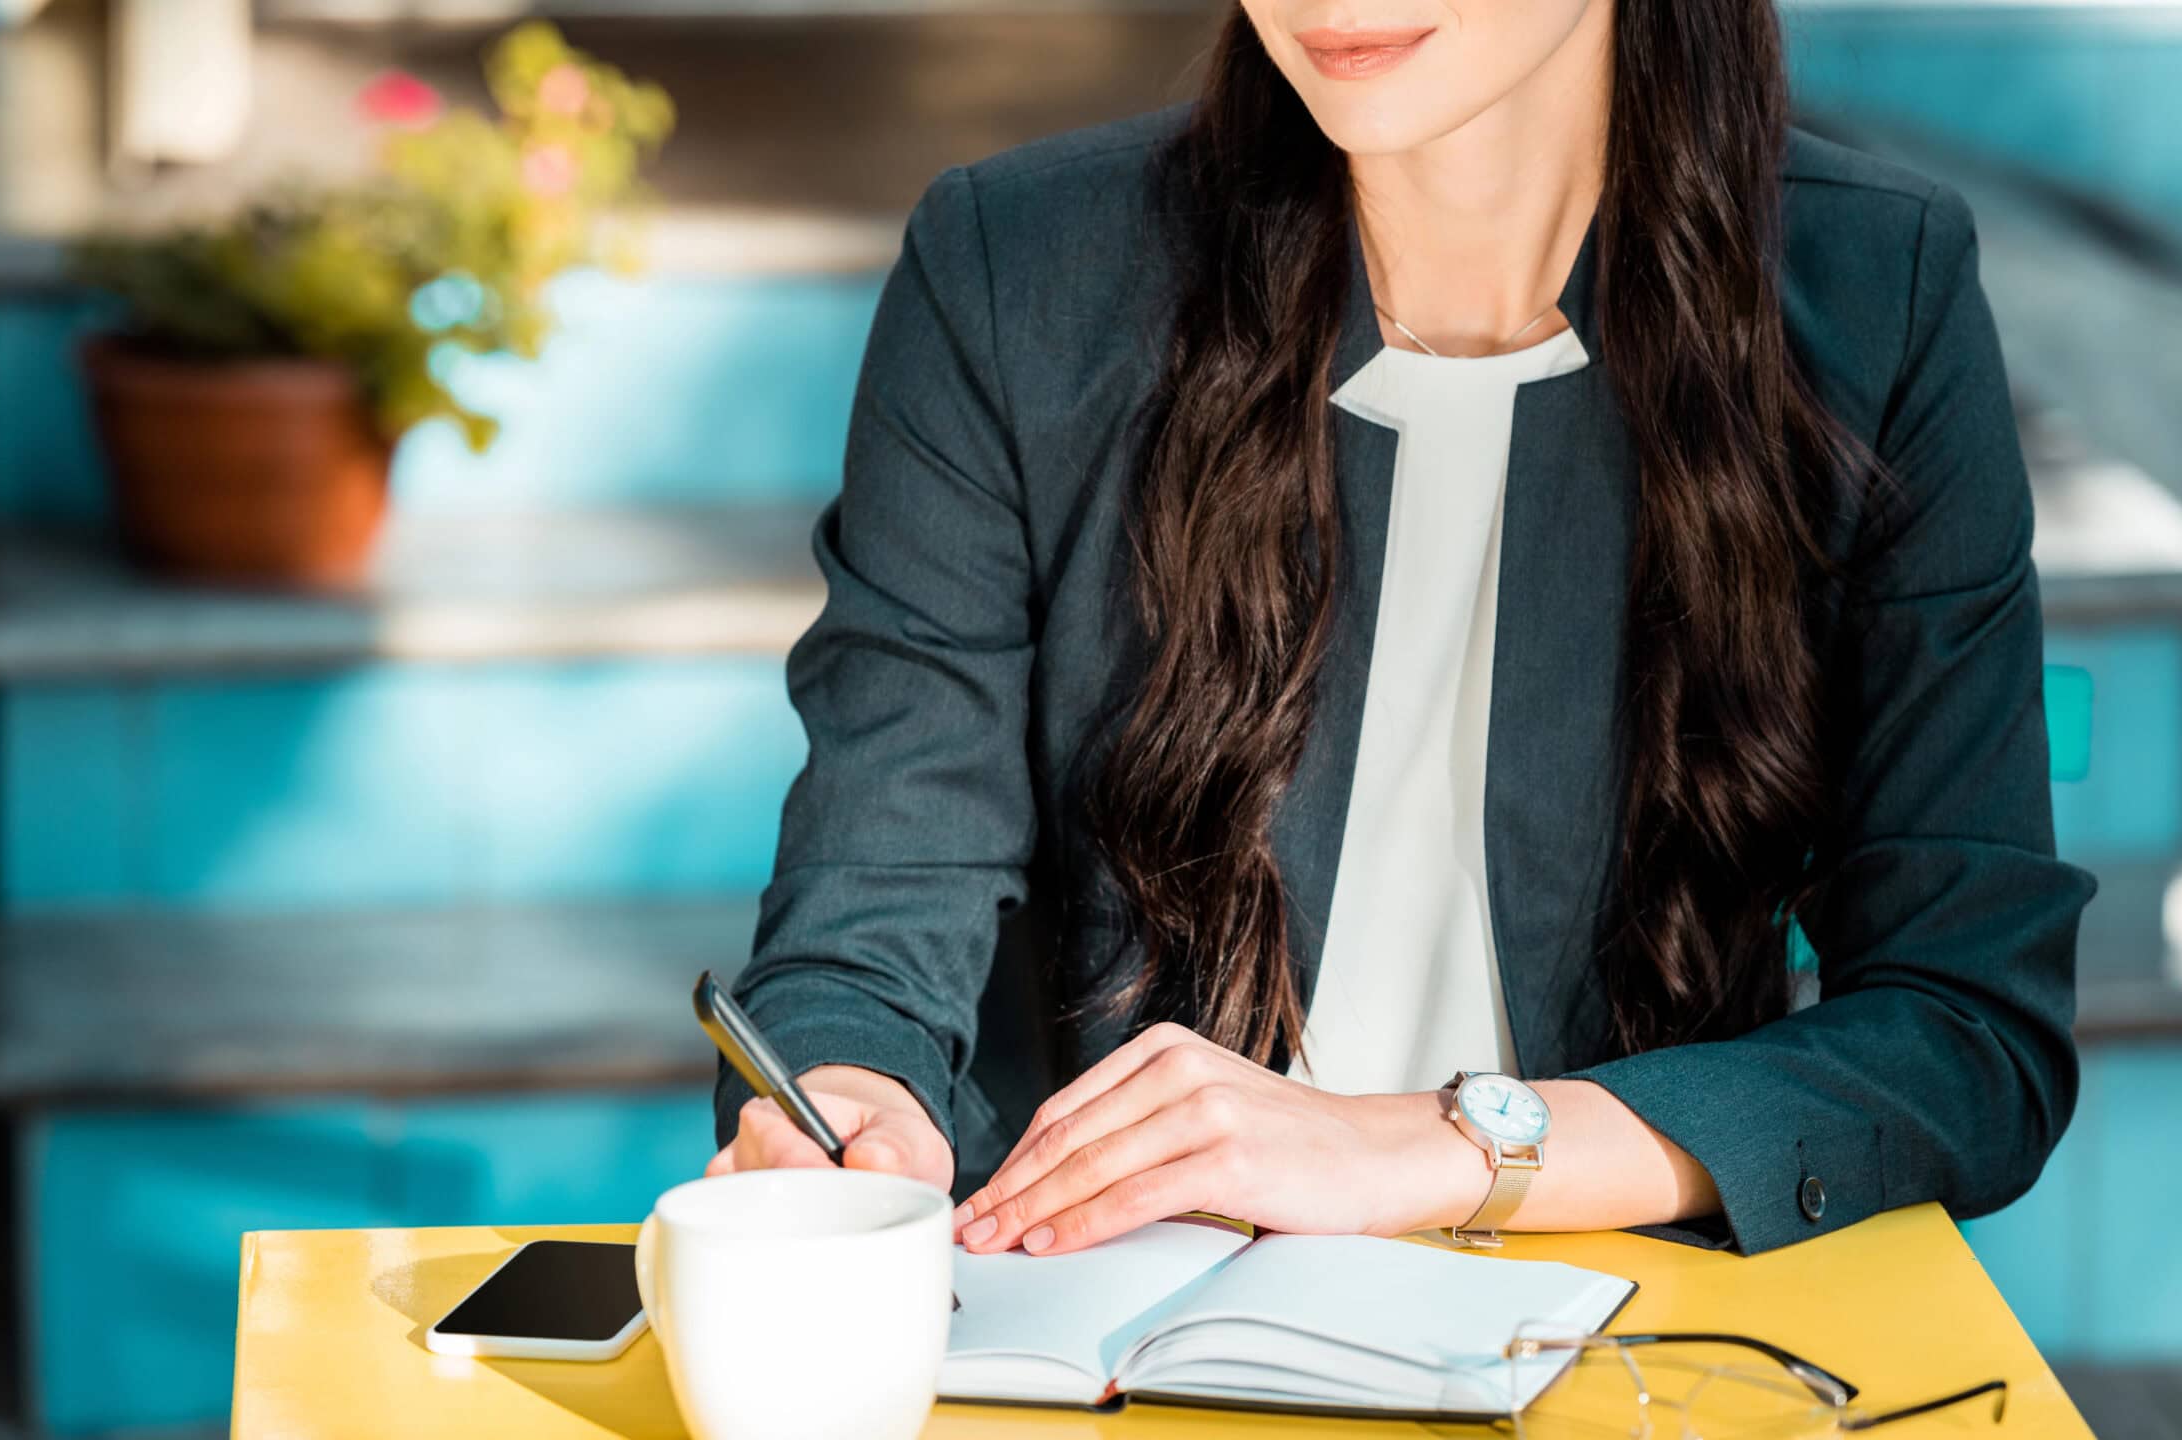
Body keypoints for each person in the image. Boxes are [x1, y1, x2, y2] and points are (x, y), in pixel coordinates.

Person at [704, 0, 2098, 1261]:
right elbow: (869, 914)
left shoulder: (1879, 296)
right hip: (1113, 1342)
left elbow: (1966, 1029)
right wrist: (844, 1106)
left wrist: (1429, 1149)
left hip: (1638, 1352)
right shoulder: (1017, 275)